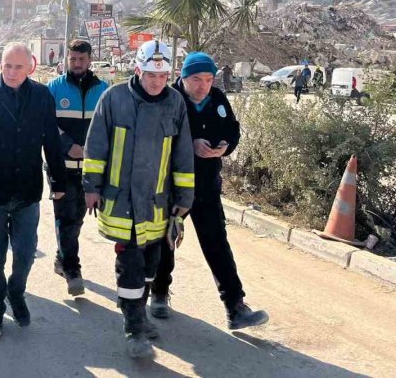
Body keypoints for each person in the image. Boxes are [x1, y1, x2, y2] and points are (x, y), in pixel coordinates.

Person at [83, 39, 195, 359]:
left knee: (150, 266)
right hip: (122, 201)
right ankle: (134, 329)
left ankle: (137, 311)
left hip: (157, 203)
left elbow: (183, 154)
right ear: (137, 70)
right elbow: (96, 146)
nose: (157, 82)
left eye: (163, 76)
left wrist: (184, 197)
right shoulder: (114, 99)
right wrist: (91, 186)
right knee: (130, 264)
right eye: (151, 75)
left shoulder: (175, 103)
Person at [149, 52, 268, 331]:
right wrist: (188, 144)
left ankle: (235, 307)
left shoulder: (217, 99)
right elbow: (154, 136)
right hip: (172, 187)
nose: (203, 86)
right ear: (183, 76)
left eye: (208, 79)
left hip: (207, 188)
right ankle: (159, 293)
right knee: (165, 241)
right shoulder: (168, 99)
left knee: (217, 243)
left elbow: (233, 129)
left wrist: (226, 145)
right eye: (197, 79)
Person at [0, 42, 67, 341]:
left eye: (18, 66)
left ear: (30, 66)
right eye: (7, 65)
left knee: (25, 252)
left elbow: (51, 142)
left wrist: (58, 182)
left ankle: (16, 293)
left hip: (27, 190)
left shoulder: (42, 96)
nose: (11, 72)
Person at [45, 39, 108, 296]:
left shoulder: (104, 90)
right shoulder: (54, 88)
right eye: (73, 59)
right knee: (64, 216)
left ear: (90, 60)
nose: (77, 63)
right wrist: (67, 144)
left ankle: (62, 257)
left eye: (81, 59)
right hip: (60, 166)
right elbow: (45, 123)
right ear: (66, 60)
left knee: (78, 217)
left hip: (90, 168)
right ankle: (72, 269)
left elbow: (108, 128)